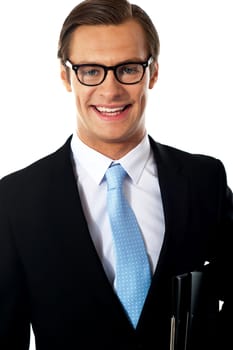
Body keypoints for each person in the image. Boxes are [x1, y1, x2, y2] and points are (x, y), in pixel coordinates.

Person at [0, 0, 232, 349]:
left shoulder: (204, 180)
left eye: (127, 69)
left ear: (153, 72)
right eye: (91, 70)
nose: (110, 90)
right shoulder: (16, 199)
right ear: (66, 76)